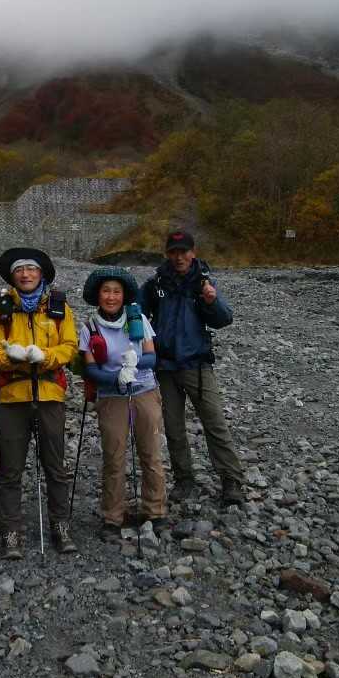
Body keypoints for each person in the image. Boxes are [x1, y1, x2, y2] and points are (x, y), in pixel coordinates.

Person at [140, 228, 245, 508]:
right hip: (165, 367)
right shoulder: (155, 284)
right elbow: (137, 313)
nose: (179, 257)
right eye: (173, 252)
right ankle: (184, 479)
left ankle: (231, 480)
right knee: (174, 428)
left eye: (183, 252)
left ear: (193, 252)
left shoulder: (203, 283)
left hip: (197, 366)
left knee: (215, 423)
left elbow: (224, 319)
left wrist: (212, 301)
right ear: (167, 254)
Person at [0, 247, 77, 559]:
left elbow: (69, 347)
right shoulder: (0, 312)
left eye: (31, 269)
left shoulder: (60, 308)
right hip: (13, 397)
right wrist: (11, 359)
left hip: (50, 395)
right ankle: (10, 531)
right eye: (19, 270)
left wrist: (46, 356)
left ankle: (61, 526)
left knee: (55, 466)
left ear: (41, 274)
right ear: (12, 277)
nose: (25, 274)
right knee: (10, 469)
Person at [80, 266, 167, 540]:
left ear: (124, 295)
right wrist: (115, 378)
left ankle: (155, 511)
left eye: (116, 291)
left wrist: (134, 363)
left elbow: (152, 357)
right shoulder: (89, 327)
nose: (111, 297)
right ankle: (113, 516)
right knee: (114, 457)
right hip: (111, 397)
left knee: (150, 453)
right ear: (98, 295)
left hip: (144, 391)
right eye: (106, 291)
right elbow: (90, 369)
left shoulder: (138, 319)